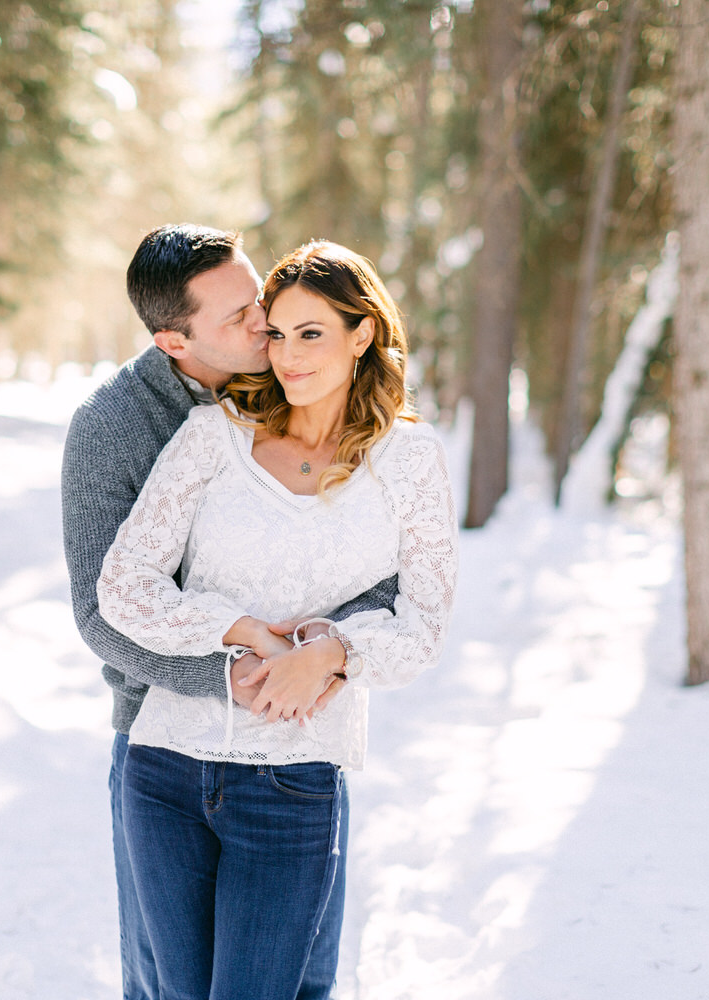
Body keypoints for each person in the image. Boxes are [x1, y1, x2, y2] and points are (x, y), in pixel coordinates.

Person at [96, 240, 459, 1000]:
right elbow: (123, 585)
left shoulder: (410, 462)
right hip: (164, 764)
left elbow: (424, 624)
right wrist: (242, 631)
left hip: (292, 779)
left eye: (312, 333)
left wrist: (332, 651)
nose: (287, 356)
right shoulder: (213, 436)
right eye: (278, 333)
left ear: (362, 334)